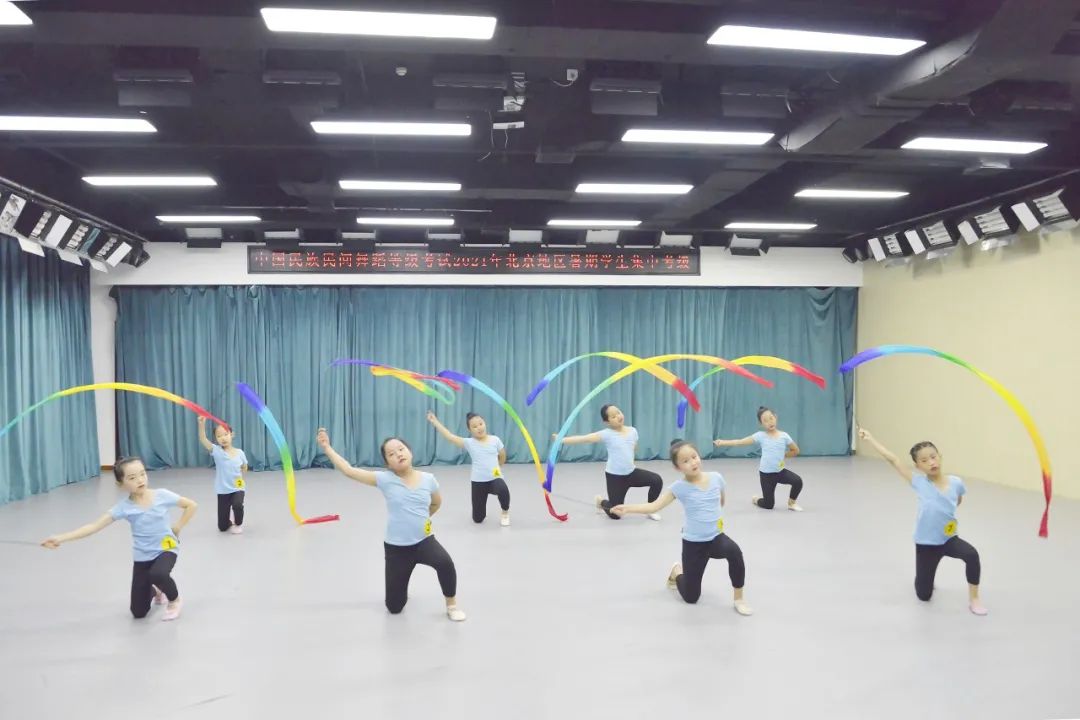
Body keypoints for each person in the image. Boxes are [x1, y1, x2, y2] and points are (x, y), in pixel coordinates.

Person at [316, 427, 466, 621]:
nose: (398, 454)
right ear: (387, 463)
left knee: (445, 563)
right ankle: (402, 589)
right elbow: (349, 471)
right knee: (394, 607)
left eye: (401, 449)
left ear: (410, 452)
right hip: (397, 549)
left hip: (424, 541)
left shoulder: (428, 479)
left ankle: (452, 605)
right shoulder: (384, 479)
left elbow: (436, 503)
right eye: (391, 454)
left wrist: (422, 519)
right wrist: (327, 448)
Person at [41, 457, 197, 621]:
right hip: (143, 556)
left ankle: (174, 600)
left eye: (142, 474)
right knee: (138, 612)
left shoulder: (162, 495)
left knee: (158, 573)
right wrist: (60, 538)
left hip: (167, 547)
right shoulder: (124, 507)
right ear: (121, 484)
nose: (140, 480)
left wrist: (177, 527)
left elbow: (191, 505)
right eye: (132, 478)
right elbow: (93, 526)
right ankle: (156, 590)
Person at [613, 440, 752, 616]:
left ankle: (739, 599)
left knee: (735, 552)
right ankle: (677, 572)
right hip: (694, 544)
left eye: (694, 457)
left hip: (716, 537)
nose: (693, 462)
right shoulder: (679, 488)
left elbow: (721, 498)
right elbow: (654, 506)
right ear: (678, 467)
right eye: (685, 461)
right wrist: (627, 508)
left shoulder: (716, 477)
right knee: (691, 597)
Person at [858, 428, 987, 615]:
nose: (931, 462)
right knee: (924, 595)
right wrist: (870, 439)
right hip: (926, 544)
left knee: (972, 555)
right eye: (924, 460)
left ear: (940, 457)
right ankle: (924, 578)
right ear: (918, 466)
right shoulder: (919, 483)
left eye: (933, 457)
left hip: (949, 539)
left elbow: (957, 500)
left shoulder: (956, 482)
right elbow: (893, 460)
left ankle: (974, 599)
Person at [557, 404, 662, 521]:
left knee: (656, 480)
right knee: (616, 514)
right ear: (607, 422)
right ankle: (601, 502)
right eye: (613, 416)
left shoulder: (633, 431)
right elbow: (584, 438)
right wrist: (561, 440)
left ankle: (651, 509)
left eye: (618, 412)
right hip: (615, 477)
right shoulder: (606, 434)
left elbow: (633, 448)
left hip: (631, 473)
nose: (618, 416)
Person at [427, 411, 511, 526]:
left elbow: (502, 455)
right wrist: (435, 422)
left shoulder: (495, 440)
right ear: (470, 430)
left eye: (481, 424)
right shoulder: (469, 443)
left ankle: (505, 512)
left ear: (485, 423)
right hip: (478, 482)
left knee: (503, 489)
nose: (479, 428)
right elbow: (450, 437)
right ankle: (480, 513)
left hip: (494, 478)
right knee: (478, 519)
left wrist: (498, 467)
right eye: (474, 426)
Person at [713, 406, 804, 511]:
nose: (770, 422)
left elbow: (795, 450)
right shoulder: (760, 436)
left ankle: (791, 503)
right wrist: (723, 442)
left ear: (775, 417)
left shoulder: (784, 436)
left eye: (771, 418)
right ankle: (756, 499)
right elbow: (740, 442)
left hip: (780, 472)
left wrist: (783, 455)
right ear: (761, 424)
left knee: (798, 481)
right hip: (766, 475)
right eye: (765, 420)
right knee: (769, 505)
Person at [197, 416, 249, 533]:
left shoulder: (240, 453)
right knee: (222, 527)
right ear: (216, 439)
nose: (223, 438)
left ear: (232, 434)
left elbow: (245, 467)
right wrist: (201, 424)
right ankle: (228, 521)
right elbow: (203, 438)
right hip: (223, 489)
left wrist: (240, 479)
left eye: (226, 434)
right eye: (219, 436)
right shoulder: (216, 451)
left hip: (238, 486)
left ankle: (238, 523)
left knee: (238, 504)